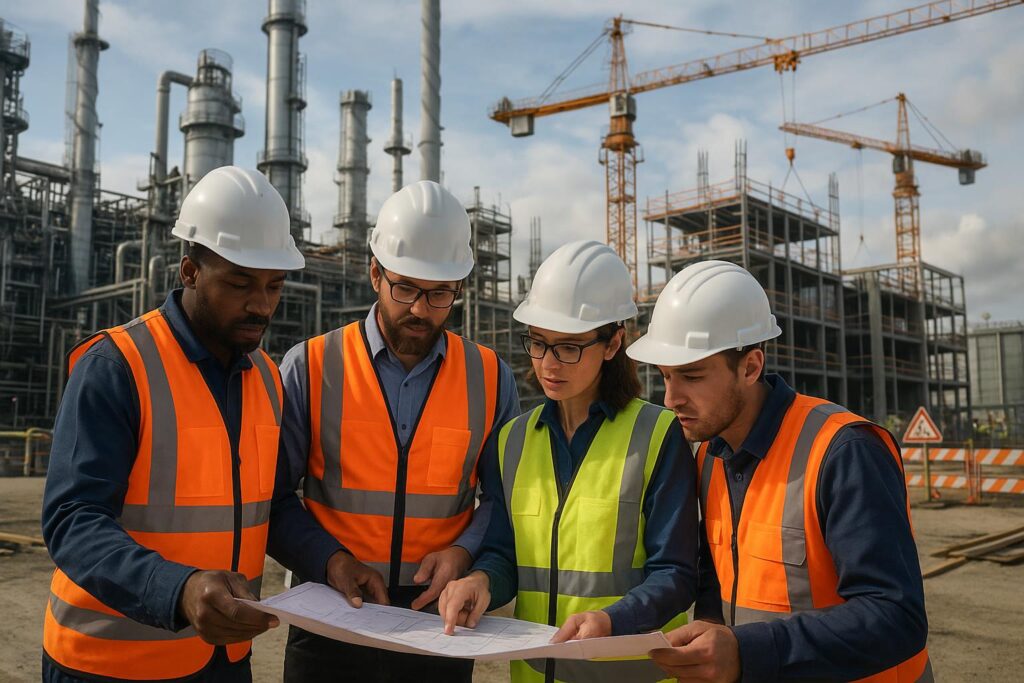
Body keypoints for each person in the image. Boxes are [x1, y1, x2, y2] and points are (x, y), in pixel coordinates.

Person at [41, 166, 306, 682]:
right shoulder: (118, 365)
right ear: (189, 272)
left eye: (274, 286)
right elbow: (73, 518)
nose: (262, 304)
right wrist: (177, 589)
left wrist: (331, 558)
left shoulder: (268, 378)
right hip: (108, 664)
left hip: (224, 658)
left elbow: (270, 505)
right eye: (240, 283)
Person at [626, 260, 931, 682]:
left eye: (691, 376)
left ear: (751, 367)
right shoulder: (710, 458)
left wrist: (745, 652)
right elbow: (719, 578)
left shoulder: (844, 451)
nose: (671, 397)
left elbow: (896, 616)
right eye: (664, 377)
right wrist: (712, 629)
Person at [272, 180, 520, 682]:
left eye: (439, 294)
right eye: (405, 288)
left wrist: (464, 552)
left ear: (460, 289)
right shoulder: (311, 366)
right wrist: (331, 561)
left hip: (437, 620)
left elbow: (502, 498)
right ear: (374, 273)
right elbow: (273, 497)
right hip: (330, 615)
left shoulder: (491, 377)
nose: (421, 310)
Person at [439, 240, 698, 683]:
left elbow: (676, 573)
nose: (549, 364)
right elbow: (505, 553)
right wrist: (482, 580)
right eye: (538, 344)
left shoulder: (658, 435)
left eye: (569, 347)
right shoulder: (511, 442)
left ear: (614, 342)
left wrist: (614, 619)